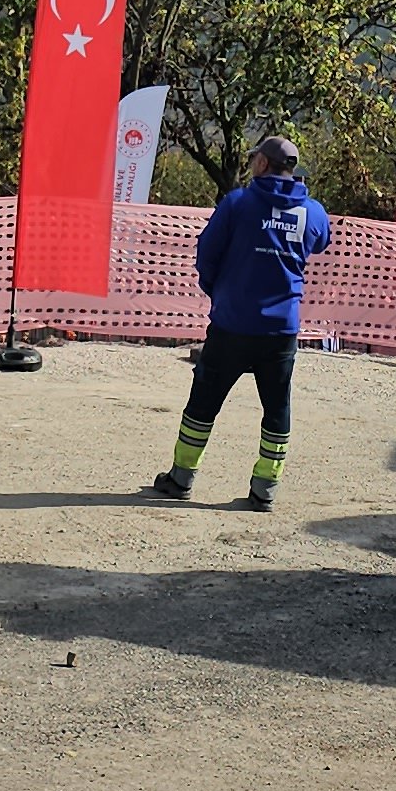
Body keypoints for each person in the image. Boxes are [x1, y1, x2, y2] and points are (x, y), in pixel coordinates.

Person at [149, 134, 330, 513]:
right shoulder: (312, 211)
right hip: (281, 328)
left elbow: (207, 254)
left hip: (233, 323)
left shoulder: (238, 203)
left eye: (254, 160)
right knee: (277, 406)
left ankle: (182, 477)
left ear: (263, 164)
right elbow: (320, 242)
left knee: (204, 400)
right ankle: (265, 487)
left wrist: (220, 293)